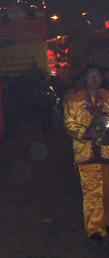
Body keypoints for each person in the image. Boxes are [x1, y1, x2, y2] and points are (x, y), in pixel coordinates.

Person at [63, 64, 109, 245]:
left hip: (107, 152)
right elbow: (69, 123)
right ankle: (95, 229)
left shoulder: (107, 97)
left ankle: (106, 220)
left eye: (97, 75)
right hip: (86, 154)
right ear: (84, 78)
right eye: (90, 75)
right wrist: (87, 133)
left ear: (102, 78)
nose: (94, 78)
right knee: (91, 192)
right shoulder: (73, 99)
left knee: (107, 190)